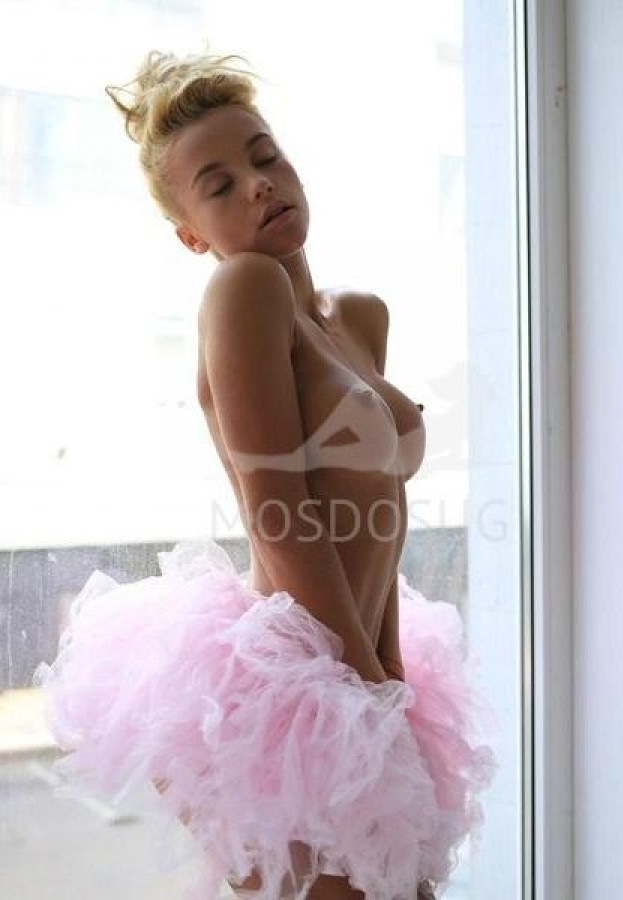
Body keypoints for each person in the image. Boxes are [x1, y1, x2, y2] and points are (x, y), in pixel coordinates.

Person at [33, 49, 498, 900]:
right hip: (296, 688)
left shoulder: (357, 317)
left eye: (265, 156)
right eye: (219, 186)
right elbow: (276, 512)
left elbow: (381, 514)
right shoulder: (243, 289)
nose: (258, 184)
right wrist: (362, 692)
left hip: (358, 667)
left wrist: (389, 674)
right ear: (191, 235)